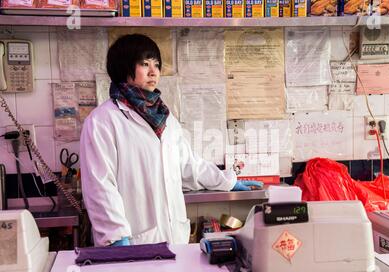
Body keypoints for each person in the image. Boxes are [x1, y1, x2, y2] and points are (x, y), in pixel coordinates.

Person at [80, 34, 263, 247]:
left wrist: (228, 181)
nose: (153, 72)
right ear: (123, 67)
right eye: (144, 64)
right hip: (134, 241)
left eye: (156, 64)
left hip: (175, 239)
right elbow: (100, 185)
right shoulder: (102, 121)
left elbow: (189, 166)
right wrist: (116, 236)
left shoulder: (164, 117)